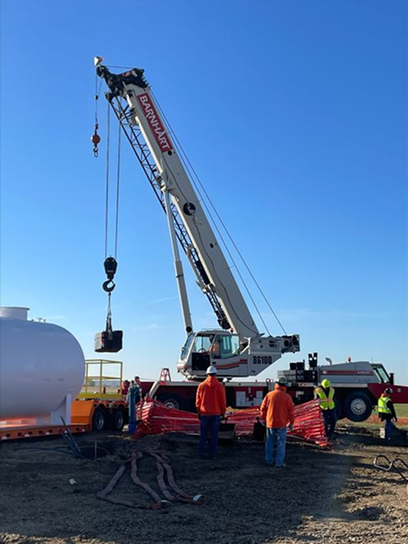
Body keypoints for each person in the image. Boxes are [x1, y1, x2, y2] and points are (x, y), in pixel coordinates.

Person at [260, 378, 294, 468]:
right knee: (281, 443)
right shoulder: (287, 397)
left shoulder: (269, 395)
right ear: (284, 386)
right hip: (282, 423)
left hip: (270, 422)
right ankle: (279, 463)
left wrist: (263, 419)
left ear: (276, 385)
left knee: (269, 442)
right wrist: (291, 422)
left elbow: (263, 408)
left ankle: (268, 460)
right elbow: (291, 411)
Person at [195, 365, 226, 459]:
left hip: (204, 414)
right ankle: (213, 454)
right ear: (216, 374)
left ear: (207, 374)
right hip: (215, 414)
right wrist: (223, 413)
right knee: (214, 436)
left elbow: (198, 401)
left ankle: (201, 453)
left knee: (203, 435)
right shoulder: (220, 386)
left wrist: (199, 412)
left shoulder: (201, 385)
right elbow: (222, 401)